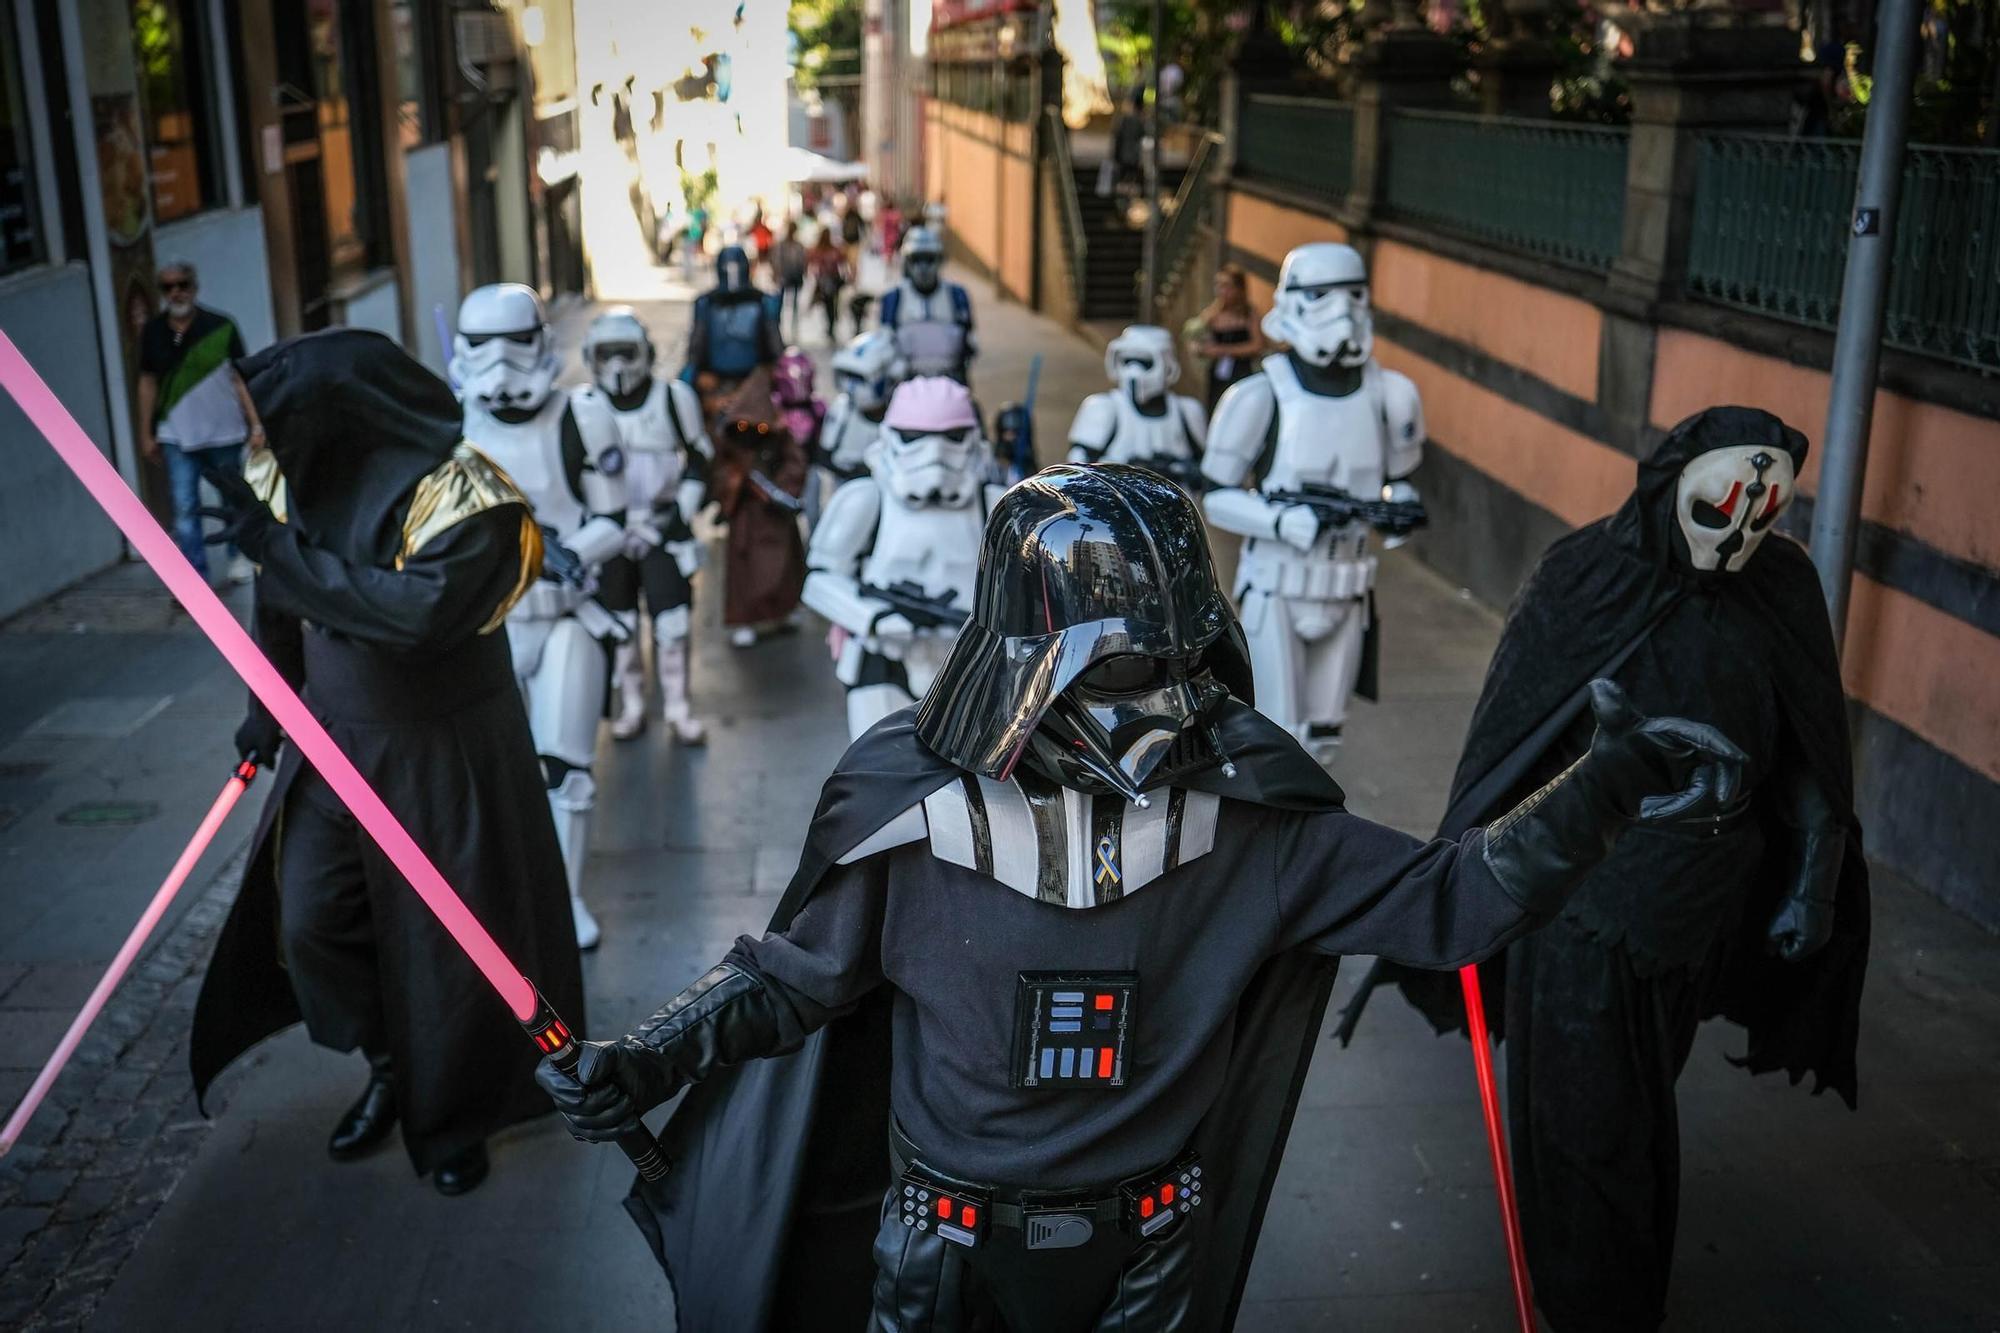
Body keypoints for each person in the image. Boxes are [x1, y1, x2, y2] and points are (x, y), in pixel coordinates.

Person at [536, 464, 1746, 1333]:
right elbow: (788, 981)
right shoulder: (908, 808)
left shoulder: (1255, 821)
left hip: (1146, 1242)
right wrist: (644, 1055)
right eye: (1116, 667)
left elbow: (1451, 904)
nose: (1158, 704)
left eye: (1175, 662)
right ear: (1024, 665)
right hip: (941, 1244)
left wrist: (1607, 785)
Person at [1337, 406, 1870, 1333]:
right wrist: (1470, 882)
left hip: (1692, 914)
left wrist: (1813, 879)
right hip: (1580, 908)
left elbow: (1810, 754)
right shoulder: (1585, 578)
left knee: (1635, 1104)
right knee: (1587, 1123)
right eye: (1720, 512)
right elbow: (1511, 741)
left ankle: (1605, 1293)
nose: (1740, 538)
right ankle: (1595, 1305)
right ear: (1669, 491)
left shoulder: (1780, 587)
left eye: (1762, 519)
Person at [189, 329, 584, 1198]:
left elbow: (414, 618)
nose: (257, 441)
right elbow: (279, 613)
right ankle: (391, 1067)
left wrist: (279, 550)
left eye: (266, 421)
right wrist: (266, 713)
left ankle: (457, 1111)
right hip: (333, 742)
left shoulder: (466, 494)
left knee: (448, 949)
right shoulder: (292, 479)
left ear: (331, 413)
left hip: (445, 748)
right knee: (313, 919)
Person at [452, 283, 628, 951]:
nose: (499, 363)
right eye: (481, 346)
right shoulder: (453, 423)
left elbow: (613, 519)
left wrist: (562, 559)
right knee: (492, 773)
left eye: (513, 343)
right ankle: (504, 899)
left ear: (541, 342)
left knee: (567, 769)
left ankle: (566, 900)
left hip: (563, 615)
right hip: (486, 624)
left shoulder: (583, 416)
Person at [1201, 242, 1426, 757]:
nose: (1342, 311)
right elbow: (1215, 498)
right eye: (1324, 295)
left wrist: (1398, 512)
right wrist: (1280, 522)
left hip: (1348, 588)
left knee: (1325, 738)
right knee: (1277, 734)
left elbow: (1400, 481)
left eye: (1353, 295)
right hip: (1278, 586)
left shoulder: (1392, 394)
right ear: (1294, 302)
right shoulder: (1260, 396)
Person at [802, 376, 998, 738]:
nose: (934, 452)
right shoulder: (865, 498)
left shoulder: (995, 504)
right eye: (915, 436)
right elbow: (819, 580)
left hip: (975, 665)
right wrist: (874, 618)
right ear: (890, 438)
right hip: (883, 661)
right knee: (881, 779)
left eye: (951, 437)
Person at [576, 307, 714, 746]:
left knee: (672, 622)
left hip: (662, 528)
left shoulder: (674, 399)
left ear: (646, 353)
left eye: (626, 353)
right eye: (607, 354)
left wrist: (673, 520)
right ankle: (633, 704)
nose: (617, 365)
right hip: (606, 535)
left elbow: (700, 461)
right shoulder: (582, 408)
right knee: (620, 625)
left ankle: (677, 707)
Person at [136, 260, 265, 587]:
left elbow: (239, 378)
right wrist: (145, 433)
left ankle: (240, 557)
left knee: (232, 498)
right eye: (167, 287)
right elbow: (147, 382)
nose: (176, 292)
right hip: (175, 434)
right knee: (184, 507)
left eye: (182, 284)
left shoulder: (221, 326)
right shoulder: (153, 333)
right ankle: (195, 578)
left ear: (194, 287)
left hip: (224, 432)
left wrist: (256, 425)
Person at [710, 372, 809, 648]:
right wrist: (735, 483)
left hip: (774, 514)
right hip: (746, 515)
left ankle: (785, 610)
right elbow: (718, 471)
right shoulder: (730, 439)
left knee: (783, 568)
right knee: (746, 573)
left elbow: (795, 464)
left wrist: (781, 490)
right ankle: (747, 619)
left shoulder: (780, 437)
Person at [1067, 324, 1207, 492]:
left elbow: (1211, 471)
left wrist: (1183, 471)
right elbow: (1076, 471)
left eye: (1145, 363)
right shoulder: (1105, 408)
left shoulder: (1187, 411)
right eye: (1127, 361)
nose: (1134, 372)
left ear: (1168, 365)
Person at [684, 245, 783, 422]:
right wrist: (698, 377)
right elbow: (694, 355)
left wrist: (761, 380)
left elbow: (777, 355)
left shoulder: (763, 303)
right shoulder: (706, 304)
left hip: (753, 385)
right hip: (715, 386)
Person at [879, 225, 975, 383]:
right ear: (907, 261)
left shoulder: (956, 296)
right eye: (917, 259)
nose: (923, 267)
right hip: (907, 385)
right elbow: (885, 343)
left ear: (939, 260)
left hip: (949, 383)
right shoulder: (894, 298)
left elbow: (970, 343)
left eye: (929, 259)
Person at [1186, 265, 1265, 413]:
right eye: (1219, 285)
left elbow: (1257, 345)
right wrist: (1203, 349)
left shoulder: (1249, 313)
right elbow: (1194, 337)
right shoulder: (1213, 313)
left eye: (1227, 285)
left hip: (1241, 373)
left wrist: (1224, 350)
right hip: (1218, 376)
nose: (1222, 290)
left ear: (1238, 288)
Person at [806, 227, 850, 345]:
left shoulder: (820, 250)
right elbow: (843, 261)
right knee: (831, 304)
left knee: (828, 305)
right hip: (831, 280)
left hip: (825, 280)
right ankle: (831, 325)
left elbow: (812, 263)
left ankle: (830, 326)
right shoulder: (832, 250)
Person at [773, 223, 809, 341]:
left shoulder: (797, 245)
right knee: (782, 301)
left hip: (794, 276)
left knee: (793, 302)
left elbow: (803, 260)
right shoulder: (784, 245)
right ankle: (780, 323)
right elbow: (778, 260)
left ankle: (793, 325)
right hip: (786, 276)